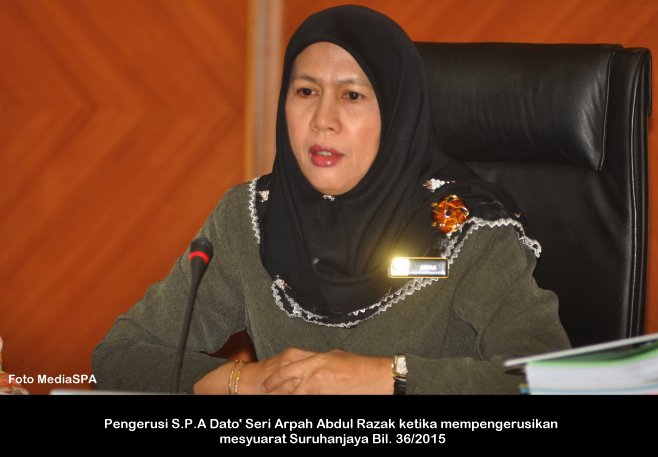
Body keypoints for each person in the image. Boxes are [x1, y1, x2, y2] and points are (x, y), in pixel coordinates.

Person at [93, 5, 570, 394]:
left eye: (352, 96)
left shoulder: (465, 229)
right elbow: (120, 355)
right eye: (306, 91)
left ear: (397, 114)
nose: (323, 119)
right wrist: (246, 380)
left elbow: (548, 379)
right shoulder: (251, 217)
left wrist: (388, 378)